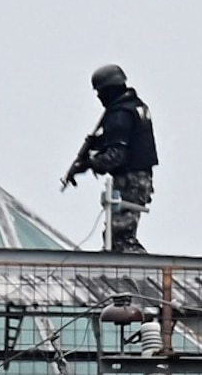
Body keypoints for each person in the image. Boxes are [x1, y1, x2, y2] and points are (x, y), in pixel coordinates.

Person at [63, 64, 159, 254]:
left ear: (109, 89)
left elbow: (116, 155)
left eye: (100, 92)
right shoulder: (135, 107)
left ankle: (138, 272)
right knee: (118, 237)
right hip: (139, 178)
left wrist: (89, 163)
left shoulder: (120, 113)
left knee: (121, 238)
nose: (99, 97)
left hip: (131, 180)